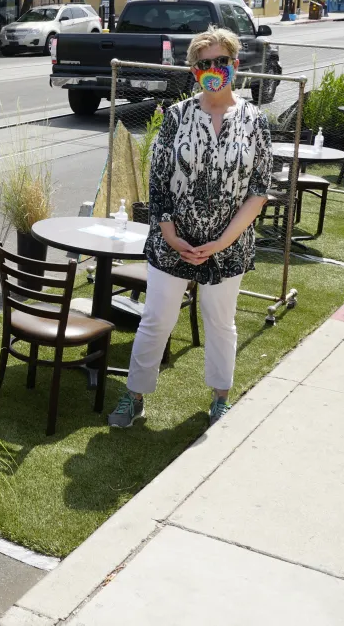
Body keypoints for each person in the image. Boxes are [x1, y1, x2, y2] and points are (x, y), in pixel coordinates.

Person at [108, 26, 271, 429]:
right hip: (171, 244)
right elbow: (158, 179)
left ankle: (220, 397)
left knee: (220, 321)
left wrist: (219, 242)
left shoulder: (255, 121)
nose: (212, 70)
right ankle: (135, 396)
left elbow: (259, 191)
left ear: (234, 64)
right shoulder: (177, 116)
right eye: (203, 64)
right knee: (157, 319)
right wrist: (169, 234)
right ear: (193, 69)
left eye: (220, 62)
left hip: (228, 247)